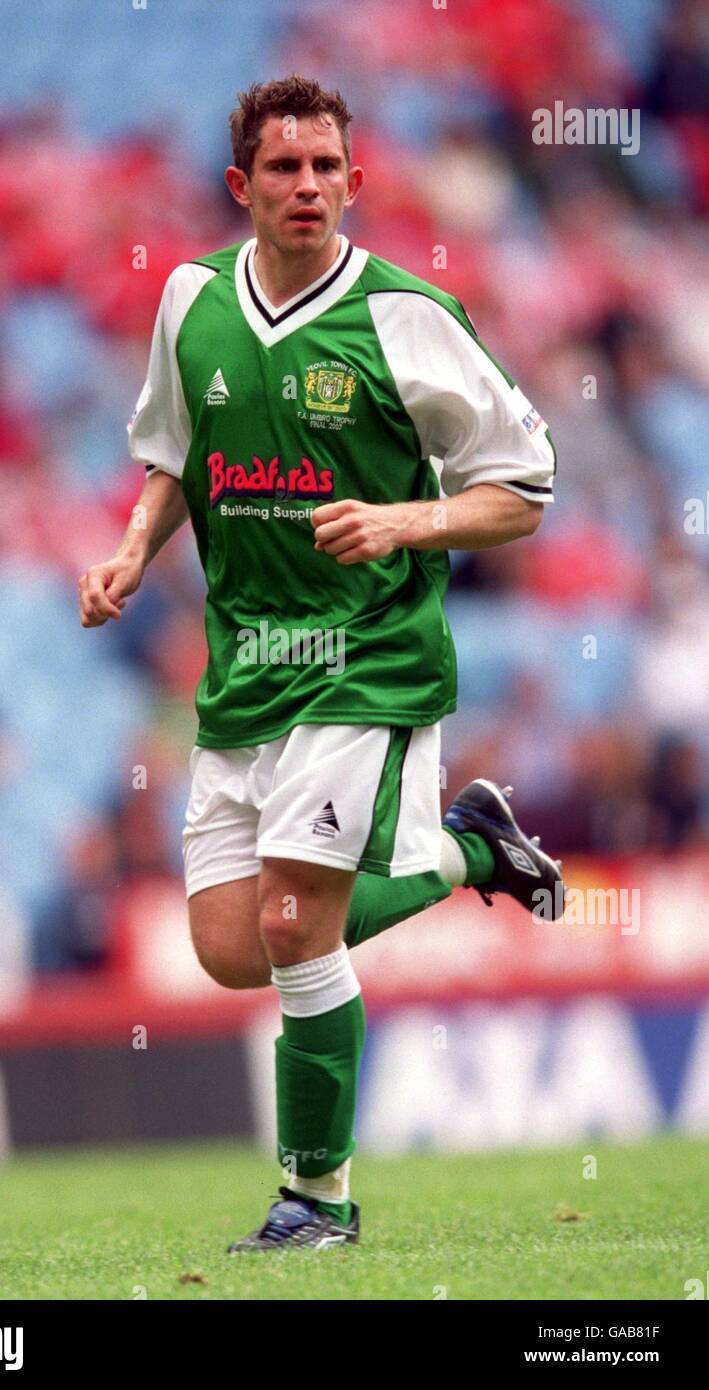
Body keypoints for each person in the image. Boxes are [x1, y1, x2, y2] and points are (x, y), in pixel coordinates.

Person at [79, 75, 562, 1253]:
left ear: (356, 180)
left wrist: (405, 521)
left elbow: (526, 489)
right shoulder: (192, 301)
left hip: (366, 661)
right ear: (242, 187)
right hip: (245, 670)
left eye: (327, 168)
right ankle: (464, 849)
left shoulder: (407, 317)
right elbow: (175, 454)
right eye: (284, 169)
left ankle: (319, 1202)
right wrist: (135, 551)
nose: (309, 187)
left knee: (297, 928)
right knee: (231, 947)